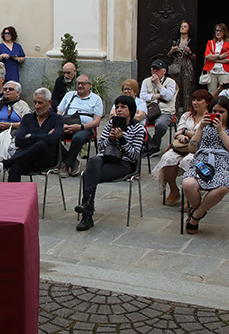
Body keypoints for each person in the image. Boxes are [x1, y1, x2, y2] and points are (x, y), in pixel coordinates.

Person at [74, 96, 146, 232]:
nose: (119, 110)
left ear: (131, 110)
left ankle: (86, 214)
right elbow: (101, 147)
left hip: (123, 164)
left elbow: (134, 156)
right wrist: (111, 139)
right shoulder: (111, 123)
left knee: (89, 176)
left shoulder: (139, 129)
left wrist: (122, 140)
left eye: (123, 107)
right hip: (105, 158)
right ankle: (87, 208)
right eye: (117, 107)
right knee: (93, 160)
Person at [180, 94, 229, 234]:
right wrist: (200, 129)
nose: (217, 115)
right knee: (188, 183)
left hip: (224, 166)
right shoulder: (204, 128)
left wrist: (221, 131)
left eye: (221, 112)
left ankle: (195, 215)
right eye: (214, 112)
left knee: (223, 187)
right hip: (202, 163)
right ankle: (199, 211)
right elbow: (192, 149)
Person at [157, 89, 212, 206]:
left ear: (207, 102)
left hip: (200, 149)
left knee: (189, 161)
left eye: (199, 100)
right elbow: (178, 133)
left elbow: (205, 137)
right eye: (194, 100)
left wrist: (187, 132)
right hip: (182, 146)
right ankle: (174, 190)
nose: (195, 103)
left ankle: (191, 196)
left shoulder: (209, 118)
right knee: (167, 158)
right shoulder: (186, 116)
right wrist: (182, 135)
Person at [0, 88, 63, 182]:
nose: (37, 106)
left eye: (40, 103)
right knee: (15, 166)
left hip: (46, 160)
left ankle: (4, 164)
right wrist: (45, 137)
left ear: (49, 102)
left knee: (41, 145)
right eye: (35, 102)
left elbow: (53, 139)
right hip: (27, 158)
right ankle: (12, 195)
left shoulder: (57, 119)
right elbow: (19, 141)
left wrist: (31, 136)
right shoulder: (27, 118)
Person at [57, 75, 104, 177]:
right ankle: (73, 162)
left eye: (83, 83)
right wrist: (63, 125)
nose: (80, 85)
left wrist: (80, 127)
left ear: (90, 85)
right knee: (51, 136)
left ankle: (65, 164)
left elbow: (96, 122)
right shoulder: (69, 95)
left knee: (78, 137)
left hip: (84, 128)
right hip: (66, 125)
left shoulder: (96, 99)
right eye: (78, 83)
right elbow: (58, 114)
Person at [140, 60, 178, 155]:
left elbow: (168, 96)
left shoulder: (171, 82)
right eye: (153, 70)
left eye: (157, 70)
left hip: (165, 111)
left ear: (164, 71)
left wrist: (158, 84)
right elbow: (142, 97)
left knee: (160, 125)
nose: (154, 72)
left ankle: (154, 145)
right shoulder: (146, 81)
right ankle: (152, 145)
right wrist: (156, 96)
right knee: (138, 122)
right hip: (150, 110)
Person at [168, 19, 196, 112]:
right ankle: (175, 113)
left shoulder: (192, 41)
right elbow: (168, 55)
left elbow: (195, 57)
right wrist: (172, 50)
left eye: (185, 26)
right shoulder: (175, 40)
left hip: (187, 66)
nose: (182, 28)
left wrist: (190, 52)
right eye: (181, 26)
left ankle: (187, 113)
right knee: (176, 91)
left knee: (187, 91)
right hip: (176, 66)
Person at [202, 23, 229, 92]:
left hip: (224, 71)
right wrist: (220, 56)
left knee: (225, 92)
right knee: (211, 92)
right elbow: (207, 56)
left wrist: (213, 58)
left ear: (224, 32)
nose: (218, 33)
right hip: (212, 71)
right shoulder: (210, 43)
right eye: (217, 31)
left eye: (221, 31)